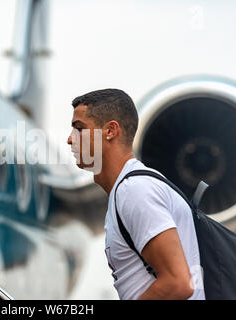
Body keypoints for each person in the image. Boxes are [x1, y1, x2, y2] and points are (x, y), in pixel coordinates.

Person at [67, 88, 205, 300]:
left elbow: (178, 283)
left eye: (79, 128)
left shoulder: (135, 190)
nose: (70, 139)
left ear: (110, 131)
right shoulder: (128, 189)